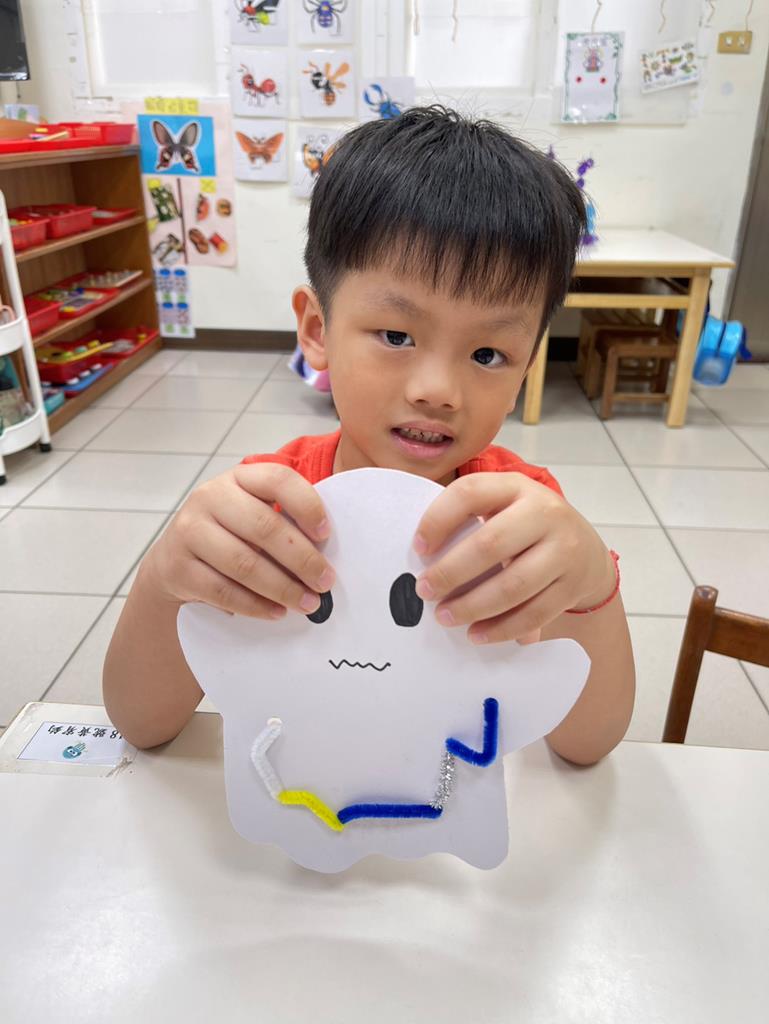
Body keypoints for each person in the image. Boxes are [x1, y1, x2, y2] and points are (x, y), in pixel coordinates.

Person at [104, 107, 635, 762]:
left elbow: (585, 746)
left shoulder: (519, 517)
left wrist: (591, 588)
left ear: (527, 363)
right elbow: (142, 725)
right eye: (396, 335)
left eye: (488, 354)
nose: (437, 390)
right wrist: (164, 578)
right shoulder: (268, 509)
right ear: (317, 331)